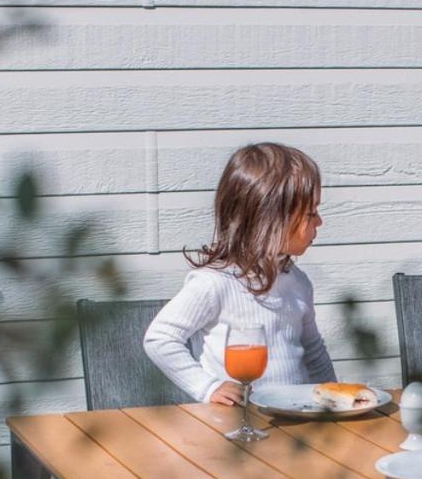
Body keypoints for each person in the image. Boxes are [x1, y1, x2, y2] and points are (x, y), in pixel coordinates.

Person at [144, 143, 336, 404]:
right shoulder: (215, 282)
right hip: (237, 419)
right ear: (270, 220)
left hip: (296, 416)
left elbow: (313, 351)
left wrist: (335, 402)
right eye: (311, 213)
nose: (320, 221)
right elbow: (160, 338)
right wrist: (208, 387)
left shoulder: (297, 282)